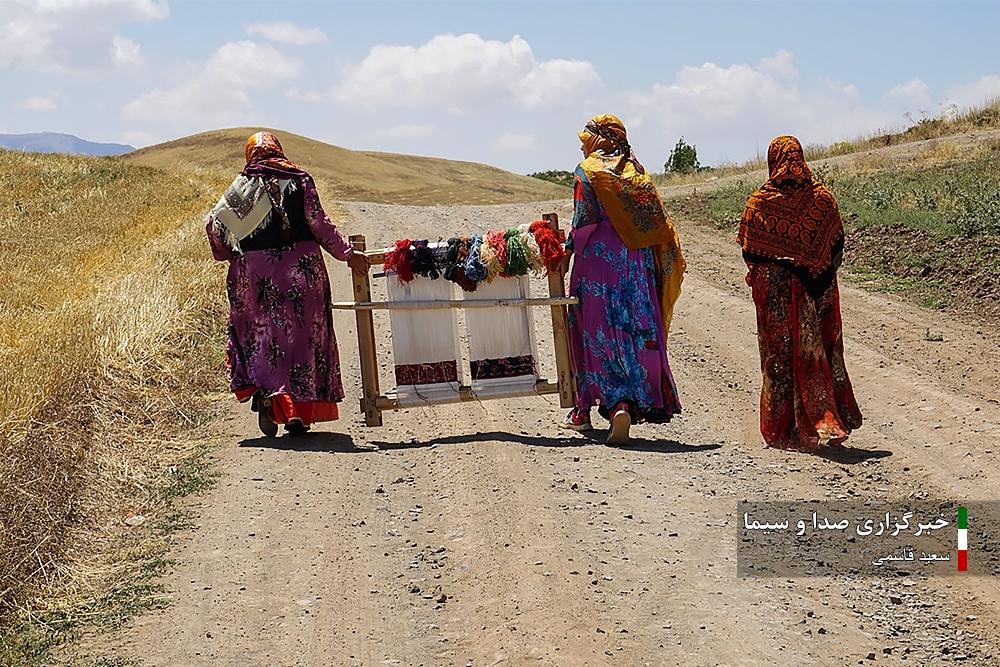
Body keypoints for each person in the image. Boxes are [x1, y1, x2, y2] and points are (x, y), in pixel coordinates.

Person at [206, 131, 369, 437]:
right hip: (301, 272)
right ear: (278, 150)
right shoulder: (300, 180)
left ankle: (270, 395)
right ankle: (299, 417)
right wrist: (347, 254)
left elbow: (215, 226)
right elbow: (318, 223)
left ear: (251, 154)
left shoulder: (242, 186)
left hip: (254, 277)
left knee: (265, 341)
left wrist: (231, 255)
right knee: (303, 342)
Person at [558, 114, 685, 445]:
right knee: (631, 329)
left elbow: (583, 220)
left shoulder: (588, 170)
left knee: (592, 329)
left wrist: (565, 252)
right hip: (634, 264)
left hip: (598, 262)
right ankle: (625, 402)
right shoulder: (636, 171)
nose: (583, 143)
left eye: (586, 137)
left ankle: (586, 410)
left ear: (598, 138)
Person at [739, 135, 863, 451]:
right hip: (820, 291)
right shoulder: (823, 200)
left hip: (776, 296)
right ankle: (827, 420)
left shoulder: (759, 203)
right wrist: (814, 274)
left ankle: (784, 430)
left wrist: (782, 270)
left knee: (779, 359)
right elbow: (836, 248)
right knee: (824, 352)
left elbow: (751, 253)